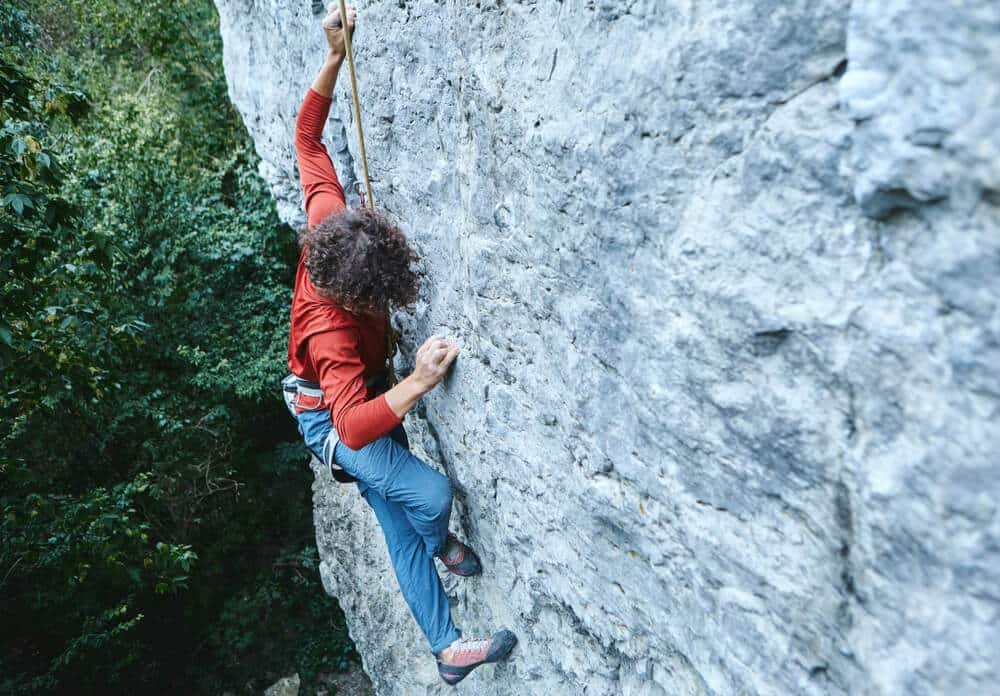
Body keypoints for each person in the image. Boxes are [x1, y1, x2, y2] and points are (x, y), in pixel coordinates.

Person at [280, 3, 517, 686]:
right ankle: (441, 542)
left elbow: (308, 142)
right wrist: (417, 379)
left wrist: (332, 59)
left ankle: (446, 650)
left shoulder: (330, 222)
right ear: (353, 299)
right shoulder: (330, 332)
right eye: (375, 300)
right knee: (429, 495)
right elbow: (354, 426)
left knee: (397, 525)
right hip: (332, 416)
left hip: (353, 400)